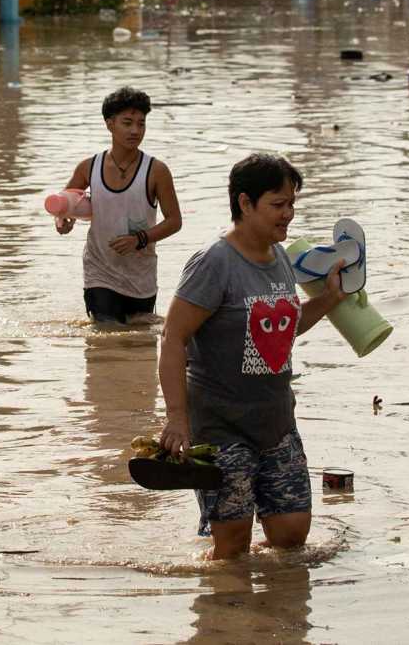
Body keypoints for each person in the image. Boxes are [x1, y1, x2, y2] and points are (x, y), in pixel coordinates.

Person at [156, 153, 345, 559]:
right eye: (278, 204)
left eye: (291, 203)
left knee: (292, 537)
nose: (288, 214)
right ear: (245, 203)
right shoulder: (213, 262)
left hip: (277, 422)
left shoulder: (280, 258)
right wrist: (177, 419)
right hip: (221, 428)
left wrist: (330, 299)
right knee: (232, 548)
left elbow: (282, 329)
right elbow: (172, 338)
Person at [56, 87, 182, 325]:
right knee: (106, 331)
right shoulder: (88, 167)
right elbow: (63, 206)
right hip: (99, 271)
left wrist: (139, 239)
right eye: (127, 123)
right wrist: (63, 223)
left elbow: (175, 221)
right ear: (110, 124)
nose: (135, 130)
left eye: (141, 124)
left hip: (141, 274)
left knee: (139, 338)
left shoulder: (157, 171)